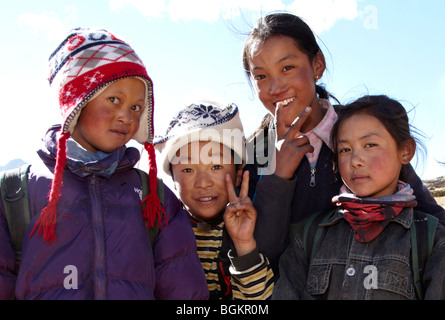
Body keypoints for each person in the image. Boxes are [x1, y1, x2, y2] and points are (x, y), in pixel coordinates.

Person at [0, 28, 208, 300]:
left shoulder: (155, 198)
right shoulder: (14, 194)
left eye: (136, 107)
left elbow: (186, 294)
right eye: (114, 100)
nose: (126, 116)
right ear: (76, 102)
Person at [241, 12, 445, 271]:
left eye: (287, 68)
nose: (275, 87)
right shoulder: (251, 156)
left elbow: (432, 219)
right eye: (261, 76)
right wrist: (278, 178)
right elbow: (259, 256)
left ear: (317, 65)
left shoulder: (364, 132)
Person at [272, 95, 445, 299]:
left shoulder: (431, 240)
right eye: (345, 149)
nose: (355, 161)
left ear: (405, 151)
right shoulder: (311, 234)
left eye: (370, 145)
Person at [154, 101, 274, 300]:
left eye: (216, 166)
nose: (203, 183)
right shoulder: (158, 232)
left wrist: (244, 244)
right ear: (173, 180)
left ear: (237, 174)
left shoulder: (252, 226)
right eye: (188, 169)